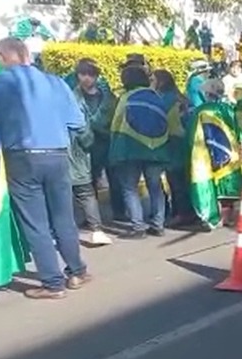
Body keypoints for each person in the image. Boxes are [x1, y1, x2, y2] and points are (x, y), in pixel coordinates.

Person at [0, 37, 90, 299]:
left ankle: (52, 283)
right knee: (63, 217)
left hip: (21, 158)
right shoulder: (56, 83)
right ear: (27, 55)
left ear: (1, 57)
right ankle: (77, 271)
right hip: (58, 155)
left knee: (36, 222)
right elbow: (77, 123)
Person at [105, 66, 174, 239]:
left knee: (129, 187)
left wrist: (114, 150)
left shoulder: (126, 98)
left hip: (131, 148)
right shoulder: (156, 97)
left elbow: (117, 124)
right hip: (156, 149)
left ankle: (138, 226)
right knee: (155, 186)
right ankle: (158, 224)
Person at [189, 78, 242, 229]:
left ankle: (217, 216)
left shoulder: (202, 110)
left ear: (207, 93)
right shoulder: (228, 108)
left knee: (214, 186)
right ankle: (228, 217)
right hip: (231, 153)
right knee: (228, 187)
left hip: (209, 154)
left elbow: (194, 135)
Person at [70, 59, 115, 245]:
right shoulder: (73, 96)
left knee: (110, 178)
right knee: (87, 183)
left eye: (91, 74)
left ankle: (117, 213)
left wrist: (97, 126)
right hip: (83, 145)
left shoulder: (107, 96)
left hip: (105, 141)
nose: (87, 78)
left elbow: (112, 116)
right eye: (83, 74)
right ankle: (91, 220)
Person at [152, 69, 197, 229]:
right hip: (185, 140)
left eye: (153, 79)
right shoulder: (181, 97)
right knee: (184, 178)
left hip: (172, 140)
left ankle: (182, 213)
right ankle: (187, 211)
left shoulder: (164, 99)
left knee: (175, 179)